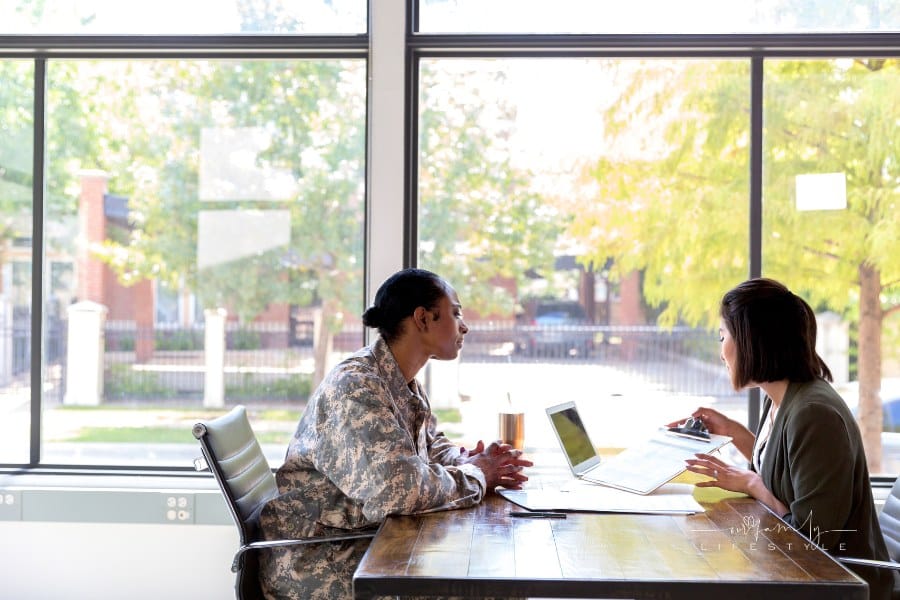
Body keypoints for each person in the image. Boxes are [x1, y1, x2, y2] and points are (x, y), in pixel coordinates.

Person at [258, 268, 533, 600]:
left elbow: (429, 444)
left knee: (492, 576)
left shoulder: (398, 378)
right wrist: (477, 475)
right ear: (423, 318)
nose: (465, 326)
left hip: (366, 539)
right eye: (455, 312)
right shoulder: (357, 388)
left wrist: (465, 459)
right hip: (320, 560)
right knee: (486, 588)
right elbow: (398, 492)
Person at [676, 277, 893, 600]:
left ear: (751, 341)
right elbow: (786, 474)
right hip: (796, 572)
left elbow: (813, 540)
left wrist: (751, 485)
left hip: (836, 583)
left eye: (723, 336)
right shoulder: (781, 397)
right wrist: (734, 432)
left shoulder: (814, 413)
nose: (721, 352)